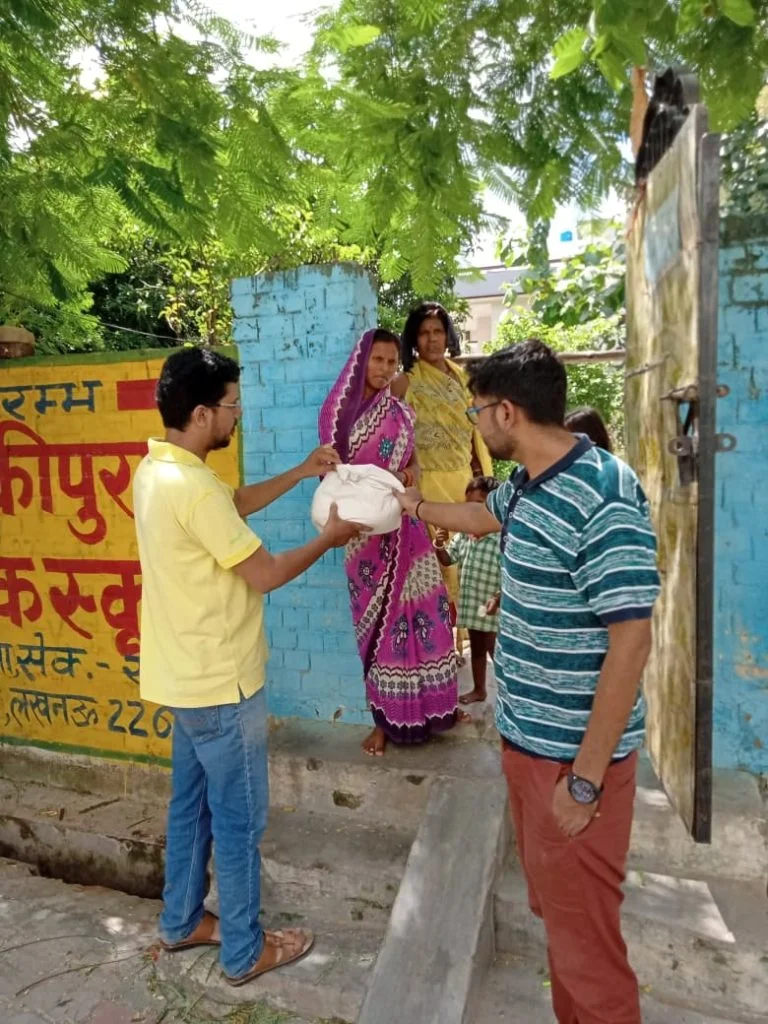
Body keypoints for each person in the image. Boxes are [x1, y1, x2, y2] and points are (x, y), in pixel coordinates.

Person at [396, 339, 660, 1024]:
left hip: (572, 764)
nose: (475, 424)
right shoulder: (526, 484)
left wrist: (586, 780)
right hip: (526, 747)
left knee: (588, 951)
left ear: (506, 412)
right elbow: (482, 517)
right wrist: (415, 507)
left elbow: (632, 641)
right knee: (563, 929)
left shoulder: (602, 495)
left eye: (477, 411)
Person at [133, 346, 362, 987]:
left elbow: (230, 502)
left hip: (184, 679)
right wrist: (329, 538)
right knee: (239, 819)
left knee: (191, 807)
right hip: (223, 684)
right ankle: (243, 950)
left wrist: (301, 470)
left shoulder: (158, 470)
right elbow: (264, 573)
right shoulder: (191, 488)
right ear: (203, 414)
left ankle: (181, 921)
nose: (237, 416)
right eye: (232, 406)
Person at [319, 328, 465, 757]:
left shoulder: (399, 411)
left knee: (427, 616)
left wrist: (406, 476)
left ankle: (438, 710)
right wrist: (379, 485)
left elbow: (413, 461)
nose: (384, 369)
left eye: (391, 362)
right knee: (379, 633)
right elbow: (332, 474)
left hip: (407, 528)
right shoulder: (337, 413)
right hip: (363, 539)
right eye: (377, 360)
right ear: (361, 360)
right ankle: (383, 722)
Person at [391, 302, 493, 625]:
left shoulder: (465, 379)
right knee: (436, 566)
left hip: (464, 486)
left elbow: (476, 433)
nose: (432, 339)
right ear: (413, 339)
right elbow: (390, 434)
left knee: (468, 567)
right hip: (428, 488)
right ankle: (439, 641)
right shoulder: (404, 383)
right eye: (424, 333)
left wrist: (482, 480)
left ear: (448, 335)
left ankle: (463, 639)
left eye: (438, 331)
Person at [433, 475, 501, 704]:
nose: (471, 511)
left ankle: (513, 694)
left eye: (478, 505)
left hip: (494, 608)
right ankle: (479, 690)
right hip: (474, 607)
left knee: (497, 652)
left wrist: (499, 597)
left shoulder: (501, 539)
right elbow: (447, 559)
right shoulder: (464, 535)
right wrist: (439, 544)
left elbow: (511, 573)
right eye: (468, 505)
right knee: (478, 649)